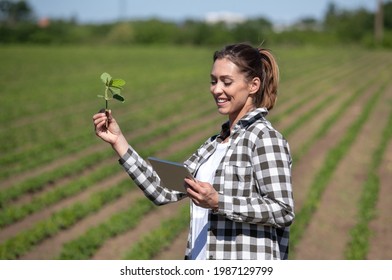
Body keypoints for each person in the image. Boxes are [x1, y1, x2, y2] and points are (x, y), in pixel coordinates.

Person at [93, 43, 294, 260]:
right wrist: (118, 141)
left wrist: (219, 202)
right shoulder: (213, 145)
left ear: (253, 85)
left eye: (226, 82)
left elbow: (282, 210)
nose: (216, 89)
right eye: (213, 81)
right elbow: (162, 191)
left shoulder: (264, 138)